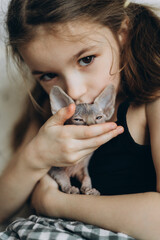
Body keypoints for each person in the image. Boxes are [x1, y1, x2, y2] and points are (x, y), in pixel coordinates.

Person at [0, 0, 160, 239]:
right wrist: (36, 156)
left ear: (122, 34)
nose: (73, 91)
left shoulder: (152, 102)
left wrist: (53, 202)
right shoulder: (53, 114)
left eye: (86, 59)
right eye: (48, 75)